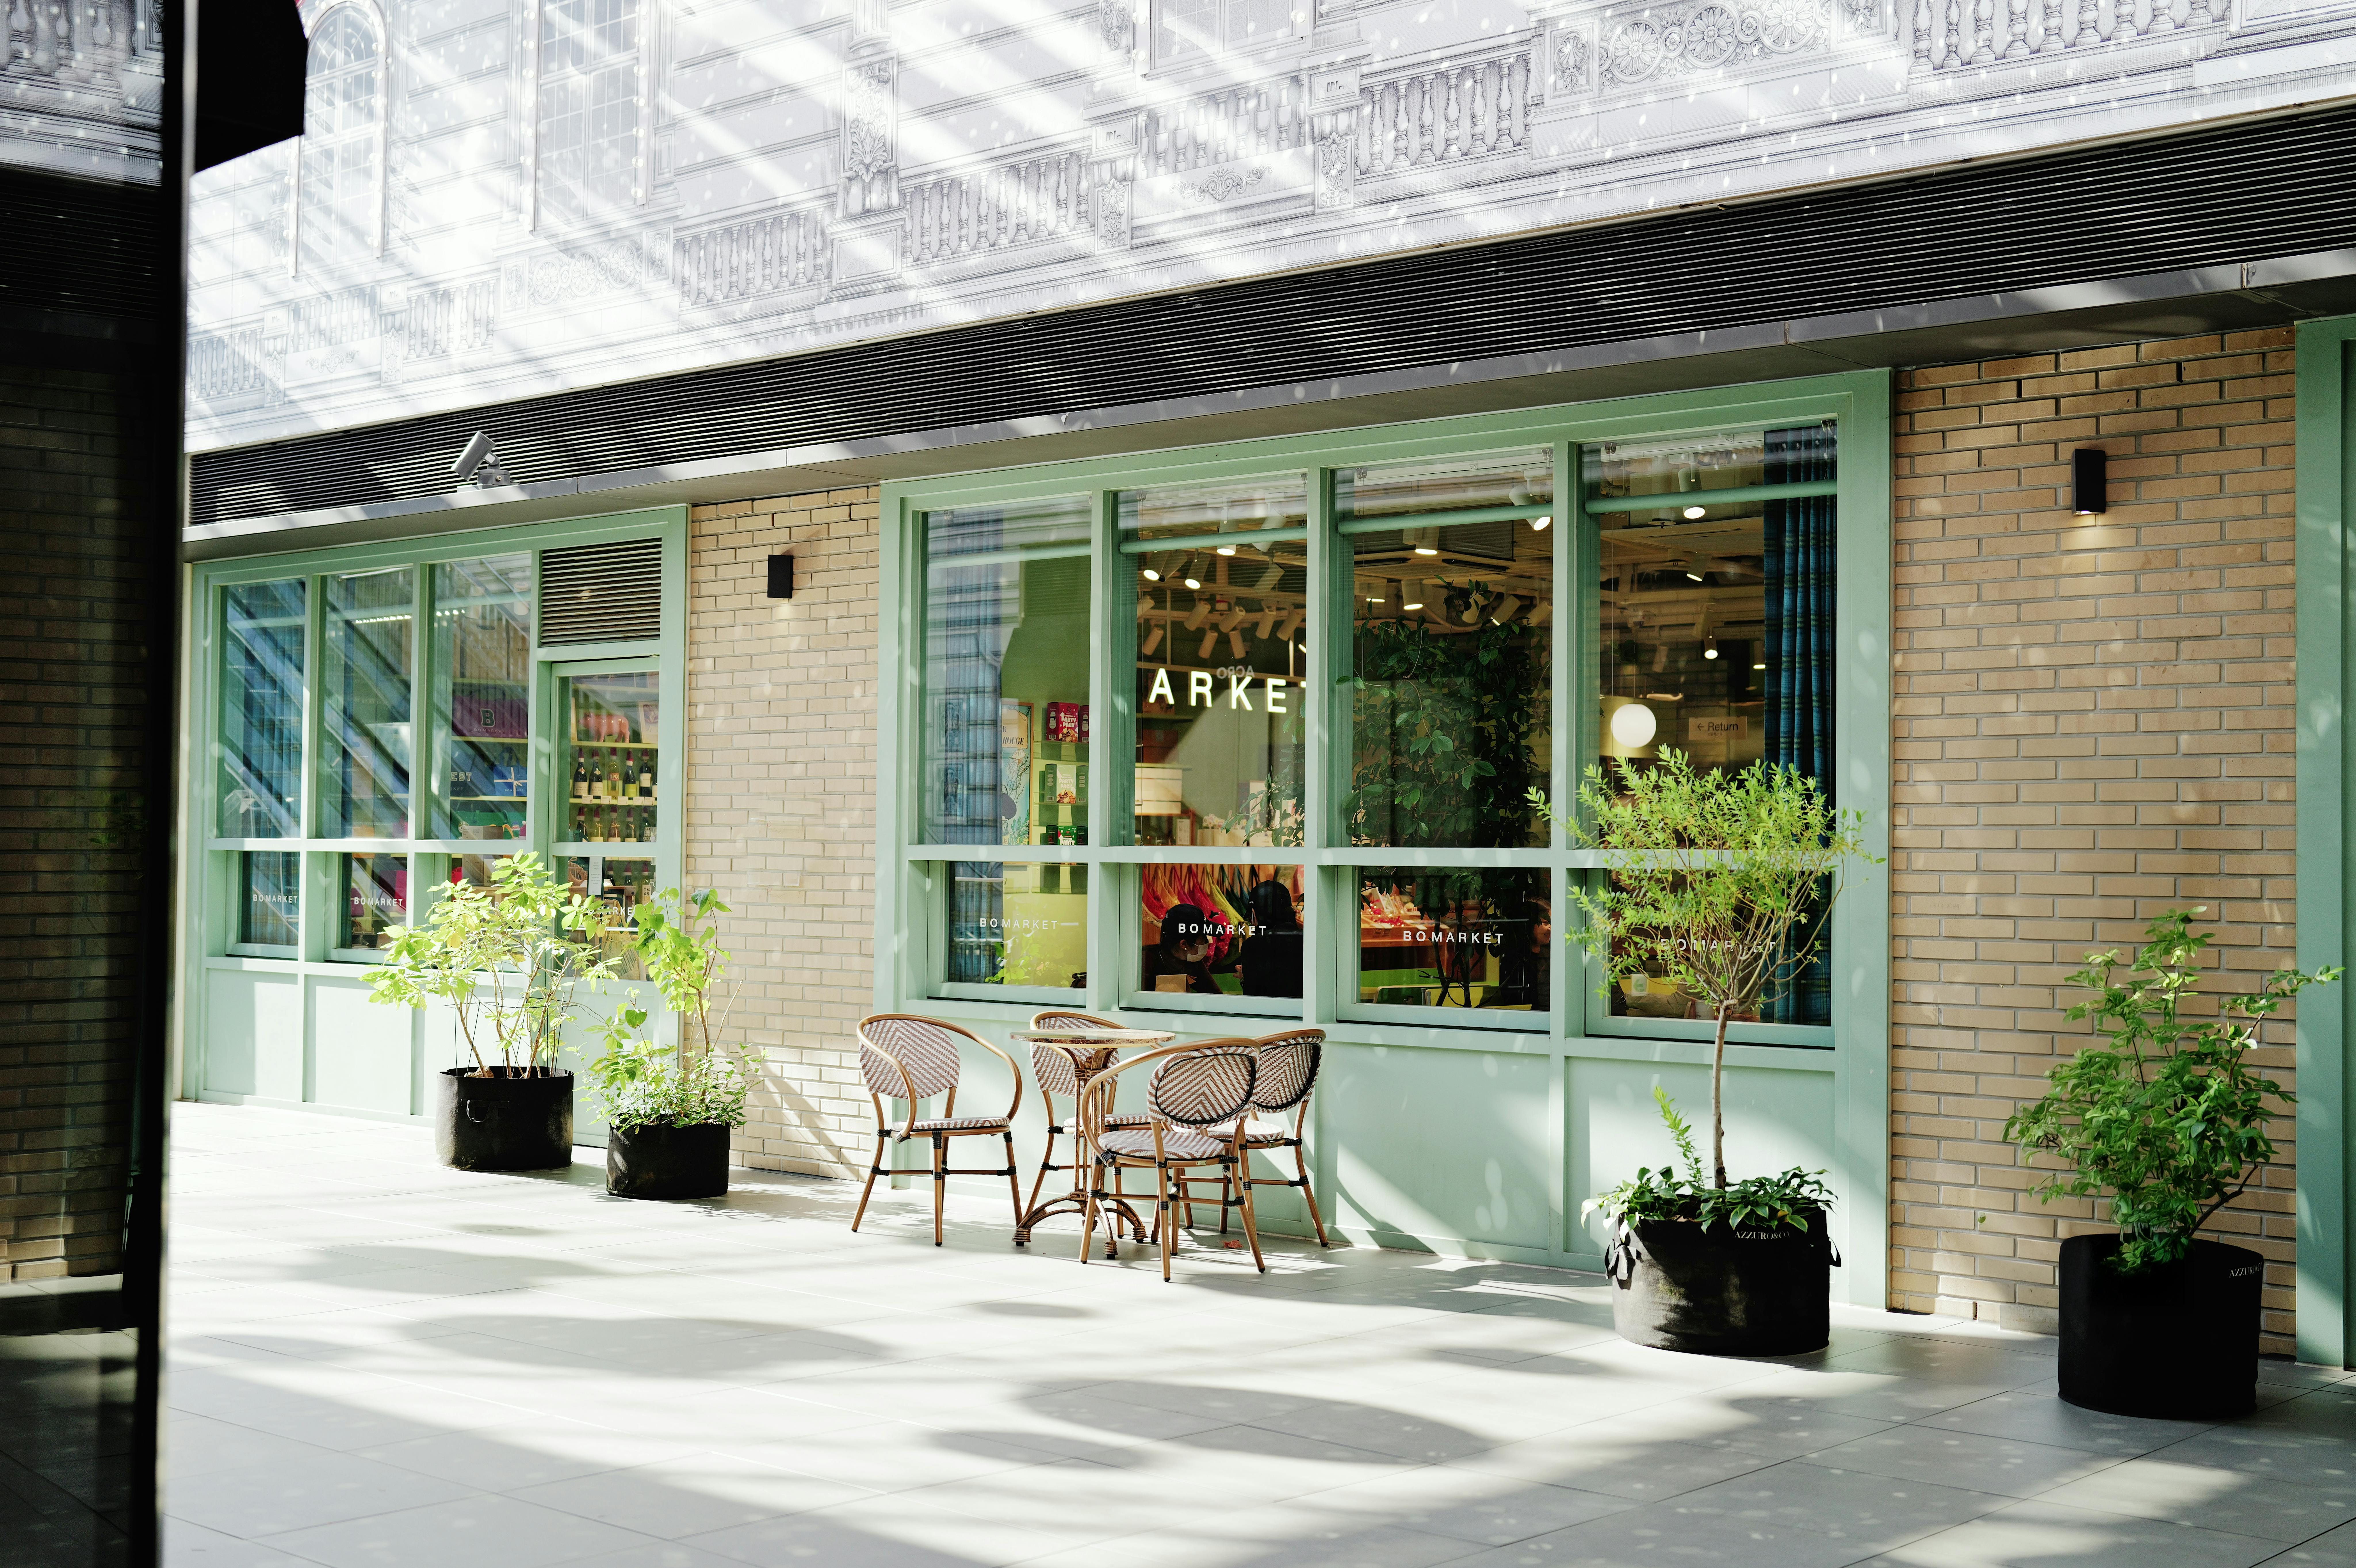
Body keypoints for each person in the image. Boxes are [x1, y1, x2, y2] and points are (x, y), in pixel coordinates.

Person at [1240, 877, 1303, 998]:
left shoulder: (1253, 945)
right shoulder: (1308, 940)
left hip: (1270, 1014)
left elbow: (1252, 995)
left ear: (1254, 914)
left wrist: (1245, 975)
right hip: (1305, 1014)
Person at [1485, 897, 1551, 1010]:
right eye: (1546, 923)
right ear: (1530, 924)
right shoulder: (1514, 959)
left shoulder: (1551, 955)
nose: (1551, 929)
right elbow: (1515, 1000)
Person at [1142, 902, 1222, 994]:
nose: (1207, 942)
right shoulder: (1146, 961)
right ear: (1184, 945)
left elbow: (1215, 994)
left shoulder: (1192, 960)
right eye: (1203, 938)